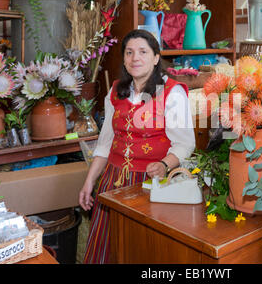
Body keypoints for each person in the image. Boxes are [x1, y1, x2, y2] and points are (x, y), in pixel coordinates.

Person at [79, 29, 196, 264]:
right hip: (113, 182)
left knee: (143, 251)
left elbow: (185, 143)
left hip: (153, 184)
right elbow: (105, 144)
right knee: (108, 249)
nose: (135, 58)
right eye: (129, 52)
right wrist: (90, 182)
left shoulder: (171, 92)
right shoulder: (115, 92)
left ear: (155, 58)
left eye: (143, 52)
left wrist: (164, 164)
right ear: (123, 59)